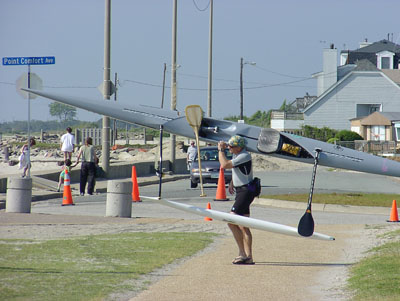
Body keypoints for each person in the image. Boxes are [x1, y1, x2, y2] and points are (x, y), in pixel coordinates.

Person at [218, 135, 256, 265]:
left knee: (231, 221)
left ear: (239, 147)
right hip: (242, 190)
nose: (229, 148)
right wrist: (232, 182)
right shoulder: (237, 155)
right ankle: (249, 257)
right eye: (228, 146)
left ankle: (242, 253)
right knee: (243, 226)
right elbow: (239, 171)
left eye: (231, 146)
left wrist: (221, 150)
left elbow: (224, 164)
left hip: (245, 192)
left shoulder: (244, 155)